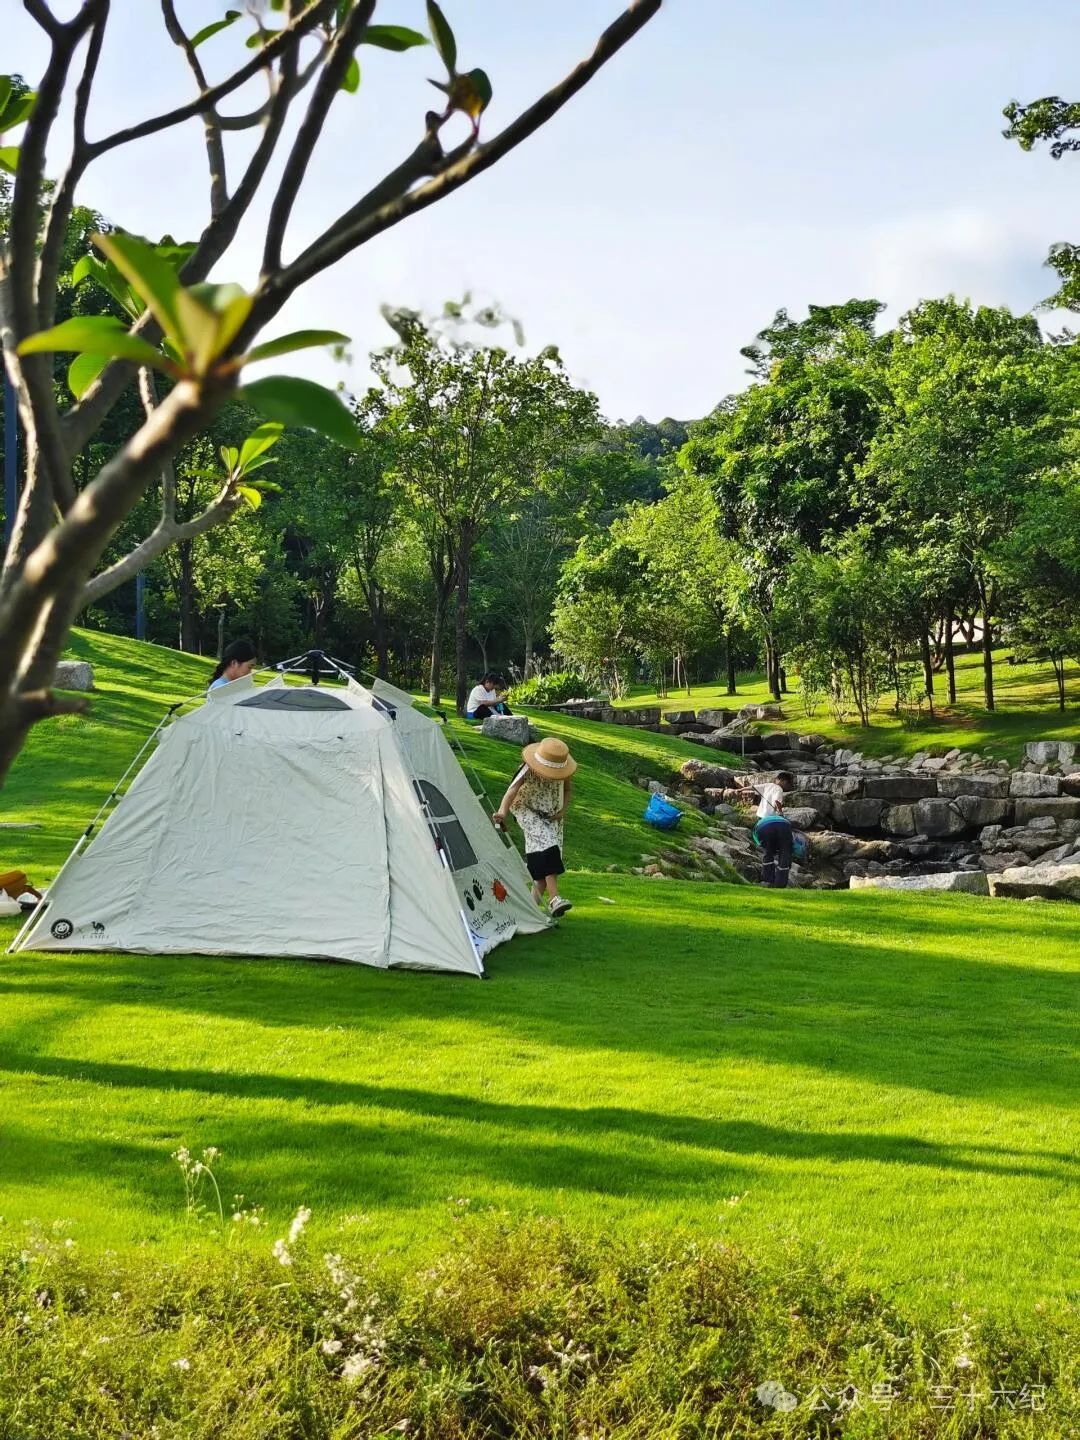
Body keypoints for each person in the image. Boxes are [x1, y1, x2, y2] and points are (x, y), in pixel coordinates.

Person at [492, 736, 576, 917]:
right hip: (527, 811)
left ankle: (528, 913)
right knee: (549, 847)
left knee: (541, 872)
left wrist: (562, 811)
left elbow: (568, 790)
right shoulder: (528, 768)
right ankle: (555, 899)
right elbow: (512, 790)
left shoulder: (563, 771)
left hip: (552, 816)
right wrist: (502, 812)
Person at [750, 770, 796, 888]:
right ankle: (780, 883)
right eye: (788, 785)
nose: (787, 787)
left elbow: (751, 787)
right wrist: (780, 812)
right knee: (785, 851)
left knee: (767, 850)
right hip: (780, 823)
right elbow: (777, 801)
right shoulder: (778, 788)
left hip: (762, 823)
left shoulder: (766, 785)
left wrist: (738, 790)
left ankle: (767, 879)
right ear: (782, 781)